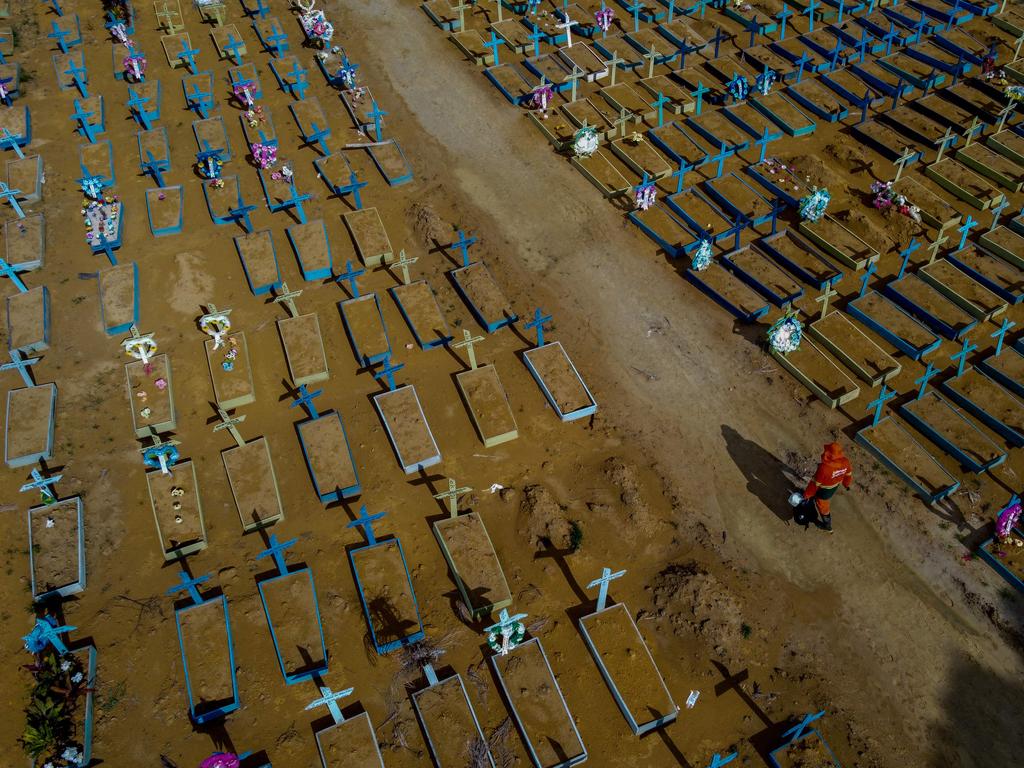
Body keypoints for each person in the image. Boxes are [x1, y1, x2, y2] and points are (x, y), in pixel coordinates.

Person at [803, 442, 853, 533]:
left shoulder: (824, 468)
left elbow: (814, 484)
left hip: (824, 491)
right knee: (821, 503)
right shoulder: (846, 461)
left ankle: (827, 526)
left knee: (823, 506)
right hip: (834, 486)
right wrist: (846, 484)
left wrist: (806, 495)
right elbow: (848, 475)